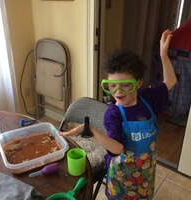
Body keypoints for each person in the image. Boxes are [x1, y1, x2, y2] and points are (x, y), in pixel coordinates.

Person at [59, 29, 177, 200]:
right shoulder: (113, 114)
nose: (118, 91)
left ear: (139, 83)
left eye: (125, 85)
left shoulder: (149, 98)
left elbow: (170, 81)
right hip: (122, 175)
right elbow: (116, 149)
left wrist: (163, 53)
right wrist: (91, 131)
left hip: (146, 170)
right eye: (112, 86)